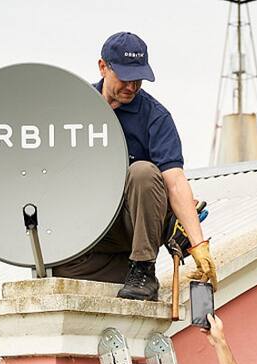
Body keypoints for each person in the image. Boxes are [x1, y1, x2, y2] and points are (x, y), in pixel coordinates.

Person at [53, 32, 217, 301]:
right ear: (103, 67)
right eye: (124, 78)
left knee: (143, 171)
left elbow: (175, 182)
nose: (132, 86)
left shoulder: (155, 117)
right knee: (59, 267)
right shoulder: (74, 110)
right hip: (94, 229)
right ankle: (132, 274)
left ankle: (142, 269)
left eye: (138, 79)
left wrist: (199, 245)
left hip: (136, 225)